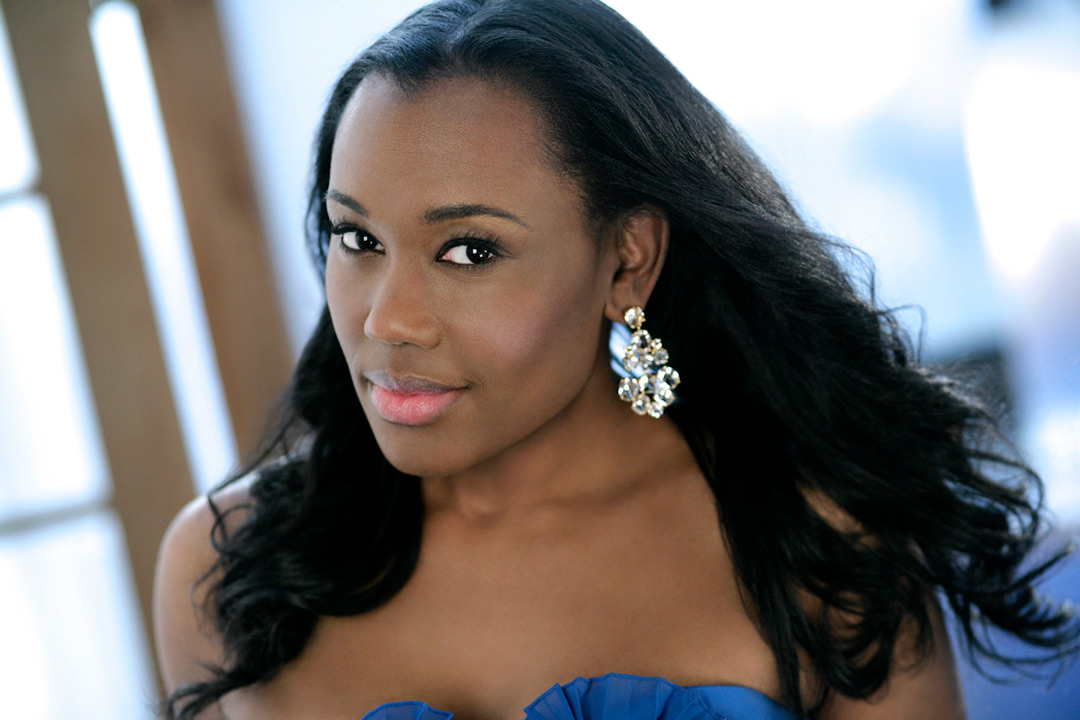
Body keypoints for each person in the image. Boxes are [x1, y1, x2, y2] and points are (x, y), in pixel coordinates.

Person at [152, 1, 1079, 718]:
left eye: (469, 250)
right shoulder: (222, 568)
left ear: (627, 259)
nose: (387, 319)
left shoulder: (816, 537)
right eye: (357, 238)